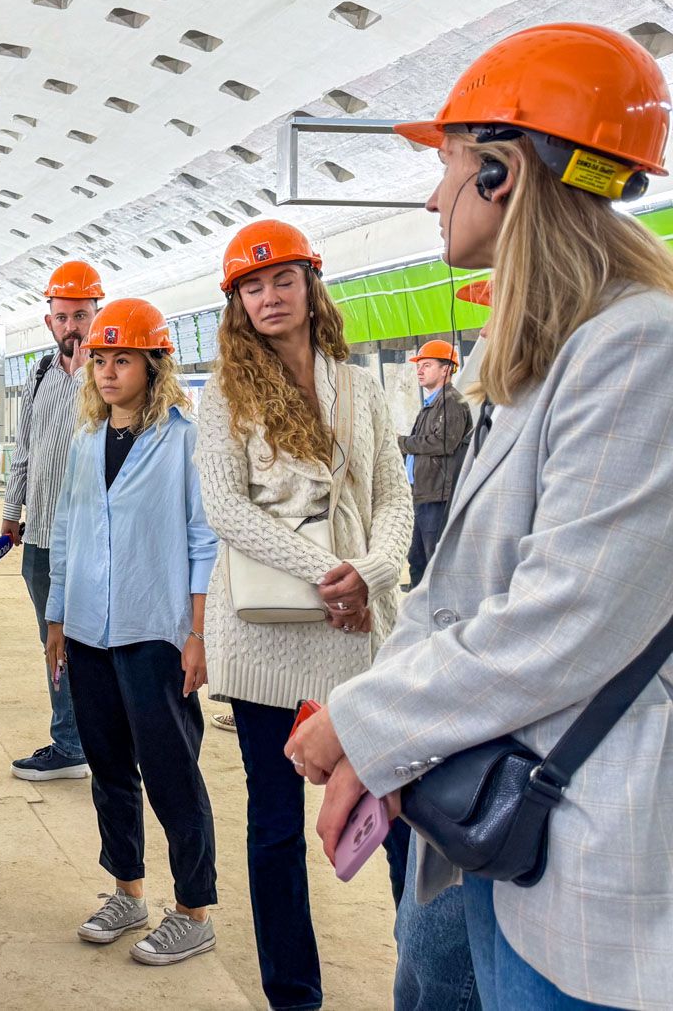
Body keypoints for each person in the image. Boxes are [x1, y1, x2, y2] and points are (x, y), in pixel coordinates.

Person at [289, 23, 673, 1011]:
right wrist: (379, 717)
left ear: (500, 172)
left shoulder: (639, 345)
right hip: (503, 816)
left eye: (448, 164)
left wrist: (366, 725)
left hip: (581, 827)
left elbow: (563, 618)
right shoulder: (543, 353)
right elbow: (453, 583)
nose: (431, 193)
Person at [194, 219, 414, 1011]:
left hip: (360, 631)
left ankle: (418, 977)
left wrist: (373, 571)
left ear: (311, 285)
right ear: (237, 305)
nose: (268, 296)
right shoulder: (224, 393)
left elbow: (392, 495)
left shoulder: (358, 386)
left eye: (282, 279)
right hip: (265, 639)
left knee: (396, 805)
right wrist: (329, 573)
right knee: (275, 821)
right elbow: (225, 507)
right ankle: (294, 995)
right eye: (252, 286)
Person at [45, 299, 220, 966]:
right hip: (89, 629)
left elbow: (203, 540)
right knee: (109, 767)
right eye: (100, 358)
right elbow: (66, 530)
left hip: (155, 628)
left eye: (123, 358)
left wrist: (196, 632)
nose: (109, 370)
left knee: (171, 771)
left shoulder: (183, 439)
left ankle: (194, 908)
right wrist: (58, 618)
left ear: (153, 363)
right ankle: (127, 890)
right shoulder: (87, 439)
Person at [1, 259, 103, 780]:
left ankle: (89, 739)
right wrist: (12, 514)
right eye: (62, 317)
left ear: (96, 314)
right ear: (49, 321)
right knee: (54, 639)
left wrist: (95, 367)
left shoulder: (111, 374)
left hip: (92, 538)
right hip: (40, 535)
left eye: (81, 315)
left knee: (95, 639)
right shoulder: (40, 374)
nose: (72, 327)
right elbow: (24, 452)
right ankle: (71, 741)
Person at [400, 339, 471, 589]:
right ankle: (419, 599)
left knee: (435, 556)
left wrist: (403, 443)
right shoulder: (432, 405)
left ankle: (437, 601)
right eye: (419, 365)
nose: (419, 370)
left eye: (426, 365)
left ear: (446, 369)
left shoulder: (452, 402)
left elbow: (443, 443)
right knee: (417, 555)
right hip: (423, 493)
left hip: (438, 495)